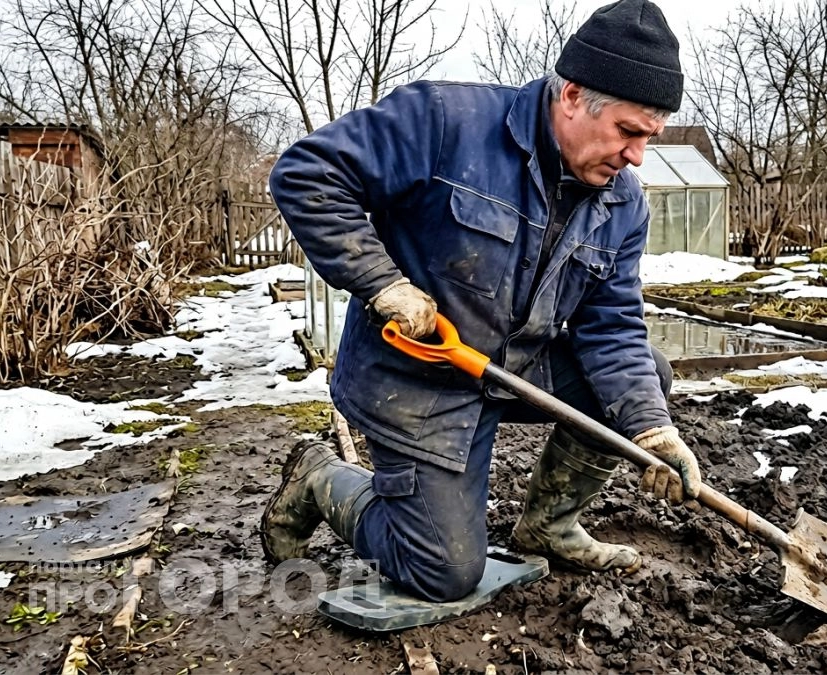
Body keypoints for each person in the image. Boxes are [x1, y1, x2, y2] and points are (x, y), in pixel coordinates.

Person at [263, 0, 704, 603]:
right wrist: (382, 283)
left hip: (512, 369)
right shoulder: (446, 121)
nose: (636, 157)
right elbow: (308, 174)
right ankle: (320, 479)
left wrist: (652, 430)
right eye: (628, 132)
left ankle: (547, 528)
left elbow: (613, 328)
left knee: (644, 377)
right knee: (443, 575)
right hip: (417, 379)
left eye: (648, 139)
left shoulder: (622, 202)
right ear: (572, 96)